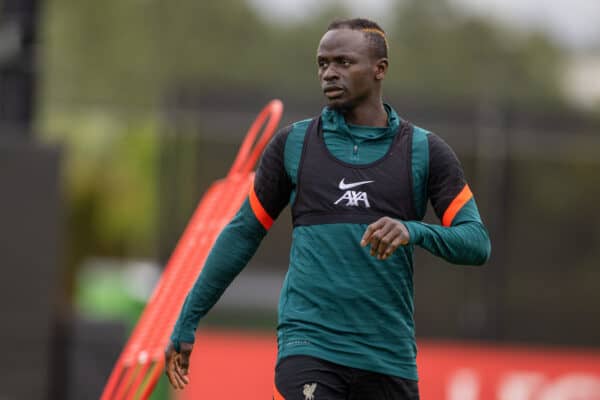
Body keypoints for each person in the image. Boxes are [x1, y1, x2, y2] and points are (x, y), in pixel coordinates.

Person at [165, 17, 491, 400]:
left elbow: (476, 242)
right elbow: (242, 233)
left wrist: (413, 230)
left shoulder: (424, 151)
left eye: (343, 62)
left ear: (379, 69)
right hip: (309, 347)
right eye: (322, 63)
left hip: (389, 358)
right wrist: (188, 318)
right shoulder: (294, 144)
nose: (329, 73)